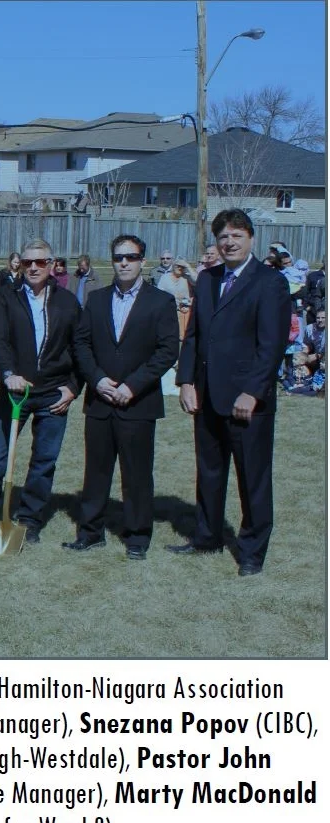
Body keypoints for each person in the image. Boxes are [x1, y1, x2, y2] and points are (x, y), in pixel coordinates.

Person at [168, 208, 290, 577]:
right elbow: (194, 336)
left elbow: (271, 346)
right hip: (206, 395)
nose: (229, 242)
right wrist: (186, 382)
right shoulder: (206, 280)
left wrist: (252, 392)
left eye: (236, 235)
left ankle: (251, 551)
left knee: (252, 477)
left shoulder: (270, 283)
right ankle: (206, 536)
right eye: (223, 236)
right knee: (209, 472)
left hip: (246, 402)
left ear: (250, 239)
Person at [65, 235, 179, 561]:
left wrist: (133, 385)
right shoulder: (97, 299)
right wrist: (97, 379)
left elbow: (168, 350)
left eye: (131, 257)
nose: (124, 263)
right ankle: (90, 533)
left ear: (143, 260)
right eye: (118, 257)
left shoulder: (160, 302)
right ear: (112, 261)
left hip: (138, 403)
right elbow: (81, 345)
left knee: (137, 475)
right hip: (100, 401)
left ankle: (137, 538)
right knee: (96, 472)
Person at [0, 238, 81, 544]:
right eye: (27, 262)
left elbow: (80, 347)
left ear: (52, 263)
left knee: (44, 461)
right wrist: (8, 374)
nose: (33, 267)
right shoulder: (7, 296)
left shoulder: (68, 302)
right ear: (19, 263)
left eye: (40, 262)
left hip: (53, 395)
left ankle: (30, 519)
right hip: (15, 391)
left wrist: (73, 387)